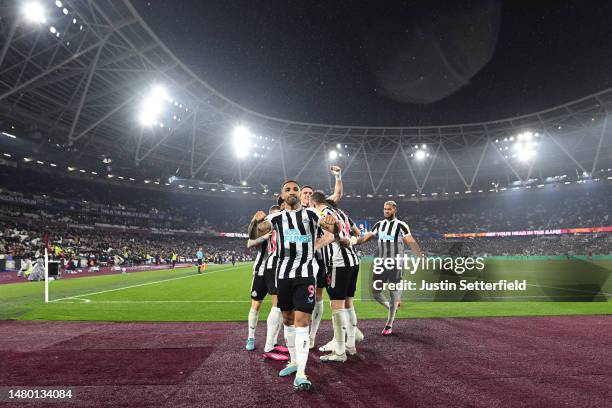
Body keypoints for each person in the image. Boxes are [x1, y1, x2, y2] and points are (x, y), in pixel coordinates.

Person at [249, 180, 338, 391]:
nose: (291, 192)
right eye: (287, 189)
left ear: (300, 194)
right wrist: (254, 222)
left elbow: (331, 228)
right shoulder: (276, 217)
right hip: (283, 275)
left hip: (306, 274)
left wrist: (330, 221)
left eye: (295, 189)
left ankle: (301, 373)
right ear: (282, 194)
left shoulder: (311, 214)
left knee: (301, 321)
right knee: (287, 318)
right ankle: (294, 361)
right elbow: (254, 234)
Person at [355, 201, 422, 336]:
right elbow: (368, 236)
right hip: (381, 263)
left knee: (393, 294)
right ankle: (391, 307)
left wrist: (419, 256)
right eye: (385, 209)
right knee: (375, 292)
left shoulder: (401, 225)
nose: (386, 211)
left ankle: (389, 324)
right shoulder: (379, 225)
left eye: (389, 209)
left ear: (394, 210)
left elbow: (410, 240)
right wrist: (354, 242)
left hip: (396, 264)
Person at [244, 205, 287, 360]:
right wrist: (264, 235)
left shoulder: (283, 232)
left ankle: (273, 342)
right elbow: (249, 242)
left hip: (277, 272)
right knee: (256, 305)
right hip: (261, 272)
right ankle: (251, 337)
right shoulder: (263, 230)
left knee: (279, 306)